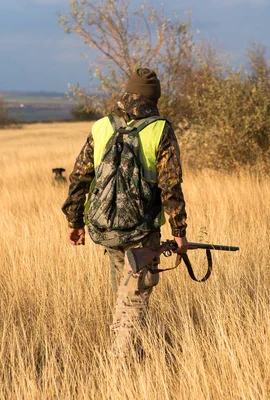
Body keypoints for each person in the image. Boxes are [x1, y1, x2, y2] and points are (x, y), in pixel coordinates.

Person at [61, 68, 189, 358]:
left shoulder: (101, 126)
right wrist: (179, 233)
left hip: (105, 229)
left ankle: (139, 358)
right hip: (141, 232)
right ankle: (120, 367)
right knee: (133, 300)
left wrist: (75, 221)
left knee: (125, 295)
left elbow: (79, 177)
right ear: (155, 99)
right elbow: (171, 186)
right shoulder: (160, 129)